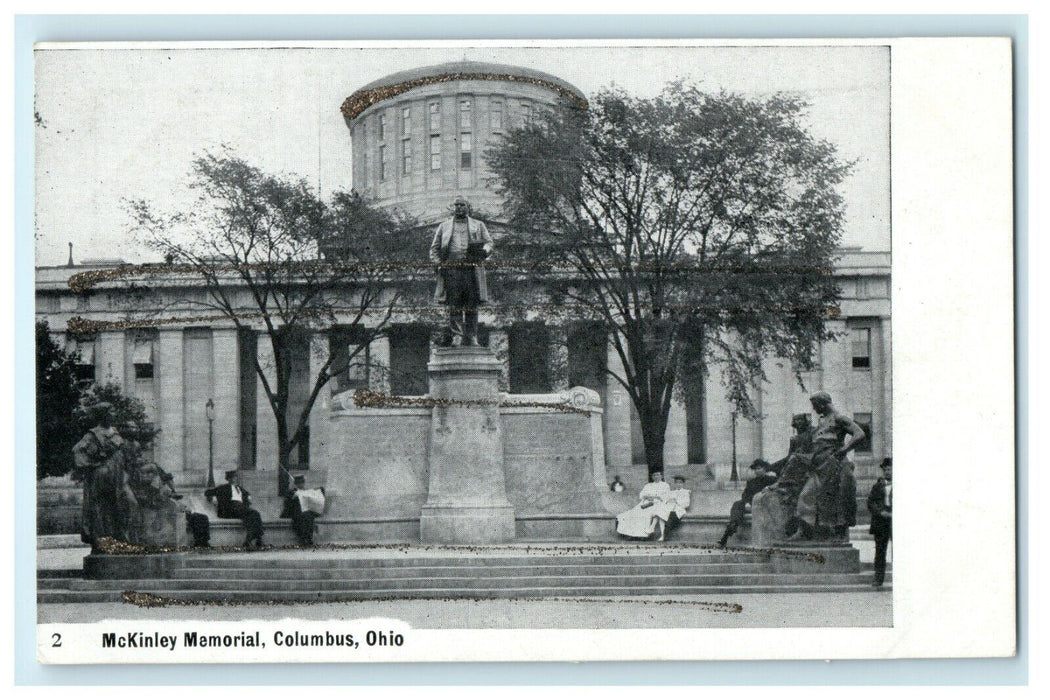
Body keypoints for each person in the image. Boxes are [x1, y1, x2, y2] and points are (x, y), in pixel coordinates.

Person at [788, 391, 867, 541]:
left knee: (835, 499)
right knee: (806, 495)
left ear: (823, 404)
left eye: (815, 405)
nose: (814, 409)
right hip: (819, 466)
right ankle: (804, 529)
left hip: (834, 465)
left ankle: (838, 533)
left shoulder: (839, 418)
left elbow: (860, 434)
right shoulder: (822, 421)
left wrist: (844, 450)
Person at [429, 195, 494, 347]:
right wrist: (439, 264)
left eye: (462, 205)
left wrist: (484, 251)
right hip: (452, 269)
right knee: (454, 303)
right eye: (456, 205)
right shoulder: (444, 226)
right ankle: (457, 335)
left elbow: (489, 242)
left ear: (467, 207)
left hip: (471, 269)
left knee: (472, 303)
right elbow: (434, 248)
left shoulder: (478, 225)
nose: (458, 207)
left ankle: (471, 336)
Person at [73, 403, 134, 550]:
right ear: (103, 414)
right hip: (103, 475)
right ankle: (102, 542)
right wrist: (94, 465)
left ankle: (122, 539)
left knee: (127, 503)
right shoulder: (93, 434)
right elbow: (77, 451)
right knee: (102, 509)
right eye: (111, 411)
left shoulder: (115, 432)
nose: (114, 414)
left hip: (119, 475)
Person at [717, 459, 779, 548]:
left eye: (759, 468)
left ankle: (727, 535)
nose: (757, 471)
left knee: (739, 508)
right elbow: (745, 494)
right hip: (750, 503)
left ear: (765, 469)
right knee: (737, 504)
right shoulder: (751, 481)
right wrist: (746, 503)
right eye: (755, 469)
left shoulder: (771, 480)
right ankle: (731, 527)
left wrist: (769, 488)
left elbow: (777, 486)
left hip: (762, 503)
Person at [615, 471, 686, 541]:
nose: (656, 477)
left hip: (657, 503)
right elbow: (642, 494)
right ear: (652, 477)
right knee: (632, 513)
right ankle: (632, 534)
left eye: (658, 475)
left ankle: (643, 535)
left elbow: (666, 497)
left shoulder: (665, 485)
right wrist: (647, 496)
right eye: (654, 475)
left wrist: (656, 497)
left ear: (661, 476)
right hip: (646, 503)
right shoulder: (648, 485)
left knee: (646, 514)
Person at [205, 470, 265, 550]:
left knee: (254, 514)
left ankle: (251, 540)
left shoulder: (240, 488)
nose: (234, 479)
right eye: (232, 478)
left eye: (235, 477)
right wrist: (211, 497)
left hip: (240, 508)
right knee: (254, 514)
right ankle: (256, 539)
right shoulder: (223, 487)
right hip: (230, 509)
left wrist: (248, 497)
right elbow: (208, 492)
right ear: (228, 479)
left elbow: (247, 494)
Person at [280, 475, 326, 546]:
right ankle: (303, 538)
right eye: (298, 483)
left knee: (309, 517)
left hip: (306, 513)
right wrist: (294, 497)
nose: (300, 485)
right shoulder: (291, 492)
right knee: (302, 518)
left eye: (302, 483)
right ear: (295, 484)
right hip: (296, 513)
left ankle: (308, 538)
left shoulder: (307, 491)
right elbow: (288, 505)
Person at [868, 457, 893, 587]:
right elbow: (871, 502)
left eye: (890, 469)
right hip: (881, 521)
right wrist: (880, 512)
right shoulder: (877, 486)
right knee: (880, 551)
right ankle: (878, 578)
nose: (888, 472)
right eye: (886, 469)